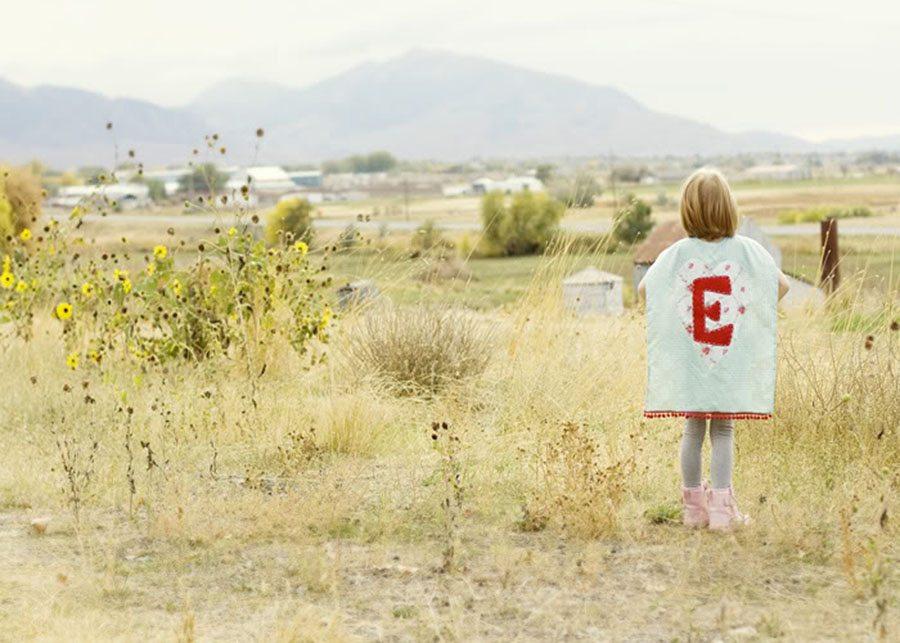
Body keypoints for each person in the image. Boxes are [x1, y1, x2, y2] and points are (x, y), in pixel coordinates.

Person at [638, 168, 790, 531]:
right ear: (728, 207)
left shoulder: (675, 254)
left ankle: (693, 510)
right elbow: (780, 287)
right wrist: (746, 309)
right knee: (723, 431)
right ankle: (722, 512)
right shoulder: (748, 251)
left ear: (687, 210)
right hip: (728, 362)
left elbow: (646, 291)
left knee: (693, 430)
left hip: (692, 362)